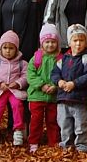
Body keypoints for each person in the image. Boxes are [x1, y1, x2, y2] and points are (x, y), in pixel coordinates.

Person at [53, 23, 87, 153]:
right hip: (64, 98)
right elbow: (54, 73)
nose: (78, 44)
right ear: (69, 42)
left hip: (80, 98)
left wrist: (75, 83)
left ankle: (81, 144)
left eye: (81, 40)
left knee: (81, 123)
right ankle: (66, 143)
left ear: (85, 42)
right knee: (64, 123)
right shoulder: (63, 59)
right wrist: (59, 81)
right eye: (75, 40)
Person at [0, 29, 28, 146]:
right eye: (5, 48)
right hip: (0, 91)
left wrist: (18, 83)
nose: (8, 51)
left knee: (17, 106)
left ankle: (18, 131)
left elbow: (26, 76)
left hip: (14, 91)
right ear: (1, 48)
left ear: (16, 49)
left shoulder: (21, 63)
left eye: (11, 48)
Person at [25, 23, 62, 153]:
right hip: (36, 96)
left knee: (53, 120)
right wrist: (41, 85)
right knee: (36, 120)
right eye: (47, 42)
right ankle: (33, 141)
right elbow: (30, 75)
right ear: (42, 42)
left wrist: (55, 86)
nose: (50, 45)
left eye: (53, 42)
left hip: (53, 97)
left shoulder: (60, 59)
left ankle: (54, 141)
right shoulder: (36, 58)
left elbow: (64, 74)